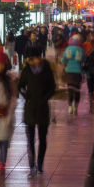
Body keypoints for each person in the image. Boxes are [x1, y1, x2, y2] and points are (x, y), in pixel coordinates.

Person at [18, 46, 56, 178]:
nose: (30, 61)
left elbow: (52, 87)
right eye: (29, 59)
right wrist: (26, 96)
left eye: (32, 59)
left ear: (38, 58)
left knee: (42, 138)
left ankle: (40, 164)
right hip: (30, 109)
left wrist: (44, 98)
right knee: (30, 139)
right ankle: (32, 166)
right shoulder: (27, 70)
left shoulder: (46, 70)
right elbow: (20, 85)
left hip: (43, 109)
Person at [62, 35, 85, 115]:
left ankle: (70, 106)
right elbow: (84, 60)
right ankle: (76, 106)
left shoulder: (67, 49)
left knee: (70, 89)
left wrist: (65, 65)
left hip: (69, 71)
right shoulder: (81, 50)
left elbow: (64, 60)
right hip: (78, 72)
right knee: (77, 90)